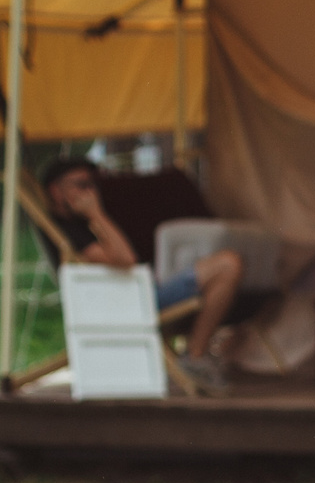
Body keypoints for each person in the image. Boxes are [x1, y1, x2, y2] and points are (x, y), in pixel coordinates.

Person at [40, 155, 243, 392]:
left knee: (229, 261)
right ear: (56, 191)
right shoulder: (67, 231)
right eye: (81, 185)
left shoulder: (80, 220)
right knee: (227, 265)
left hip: (139, 290)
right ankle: (195, 357)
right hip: (131, 301)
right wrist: (96, 214)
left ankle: (196, 354)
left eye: (92, 184)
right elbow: (125, 259)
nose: (90, 192)